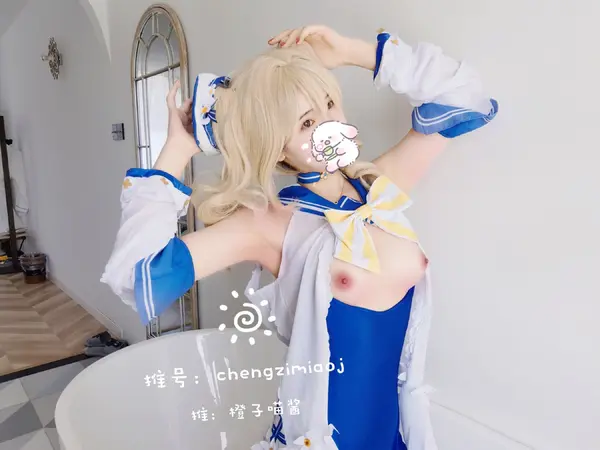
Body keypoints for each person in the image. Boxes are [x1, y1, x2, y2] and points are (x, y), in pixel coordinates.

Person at [101, 24, 498, 450]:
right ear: (276, 148)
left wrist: (351, 52)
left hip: (394, 433)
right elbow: (136, 277)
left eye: (329, 103)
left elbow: (465, 97)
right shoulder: (268, 223)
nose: (331, 125)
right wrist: (177, 150)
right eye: (307, 123)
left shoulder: (378, 187)